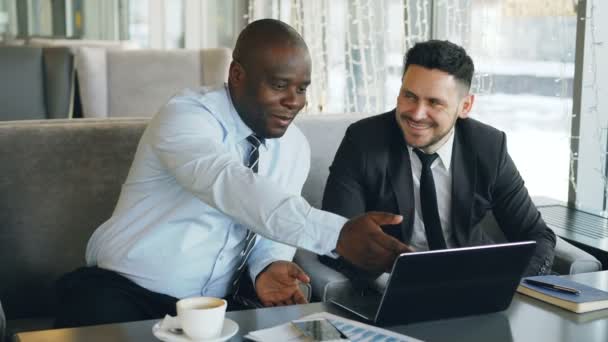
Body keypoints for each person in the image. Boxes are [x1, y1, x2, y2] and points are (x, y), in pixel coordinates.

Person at [54, 19, 410, 328]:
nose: (295, 101)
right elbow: (230, 185)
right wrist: (337, 233)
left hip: (216, 308)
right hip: (124, 290)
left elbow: (269, 227)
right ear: (237, 75)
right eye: (279, 85)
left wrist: (267, 267)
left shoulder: (295, 146)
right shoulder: (185, 116)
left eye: (302, 88)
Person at [319, 40, 556, 287]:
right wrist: (385, 279)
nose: (417, 113)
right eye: (409, 96)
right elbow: (336, 238)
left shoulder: (488, 146)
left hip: (476, 283)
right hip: (394, 284)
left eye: (434, 102)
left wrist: (510, 287)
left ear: (465, 106)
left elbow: (537, 235)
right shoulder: (363, 142)